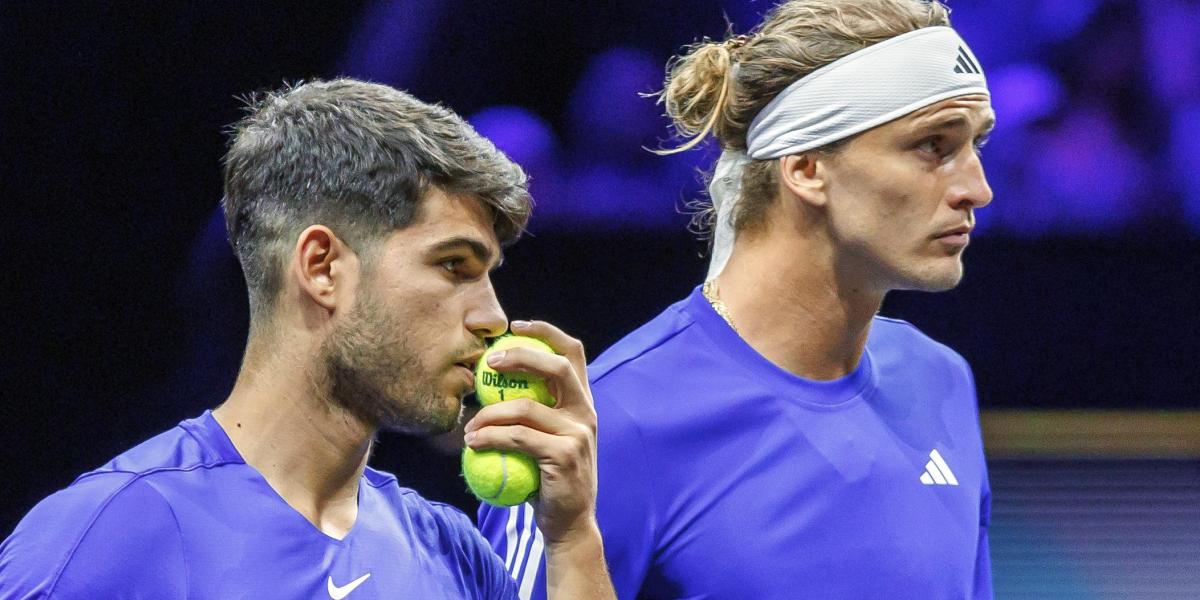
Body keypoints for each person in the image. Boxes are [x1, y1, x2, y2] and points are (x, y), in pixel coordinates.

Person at [0, 79, 614, 600]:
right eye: (454, 265)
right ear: (322, 268)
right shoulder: (111, 539)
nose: (493, 318)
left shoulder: (455, 557)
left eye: (488, 277)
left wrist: (572, 537)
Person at [479, 1, 995, 598]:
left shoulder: (941, 381)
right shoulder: (611, 427)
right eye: (933, 146)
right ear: (805, 169)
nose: (976, 188)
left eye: (975, 144)